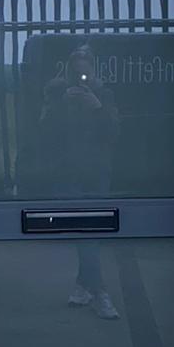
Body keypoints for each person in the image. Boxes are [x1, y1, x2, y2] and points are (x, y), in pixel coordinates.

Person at [37, 44, 120, 320]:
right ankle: (100, 292)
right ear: (69, 73)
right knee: (84, 231)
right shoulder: (59, 97)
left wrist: (96, 107)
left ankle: (87, 287)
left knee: (91, 232)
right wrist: (59, 103)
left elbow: (114, 135)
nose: (81, 79)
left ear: (93, 72)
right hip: (68, 173)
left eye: (86, 72)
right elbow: (43, 136)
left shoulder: (104, 95)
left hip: (97, 173)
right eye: (76, 73)